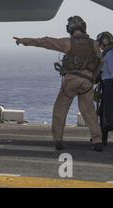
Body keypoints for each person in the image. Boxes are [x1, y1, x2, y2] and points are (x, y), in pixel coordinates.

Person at [14, 16, 103, 151]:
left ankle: (58, 139)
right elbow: (100, 62)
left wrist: (24, 41)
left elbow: (46, 42)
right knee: (90, 112)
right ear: (83, 27)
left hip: (71, 81)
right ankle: (97, 140)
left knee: (60, 110)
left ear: (70, 28)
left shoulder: (68, 43)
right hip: (87, 82)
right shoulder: (94, 44)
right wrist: (93, 78)